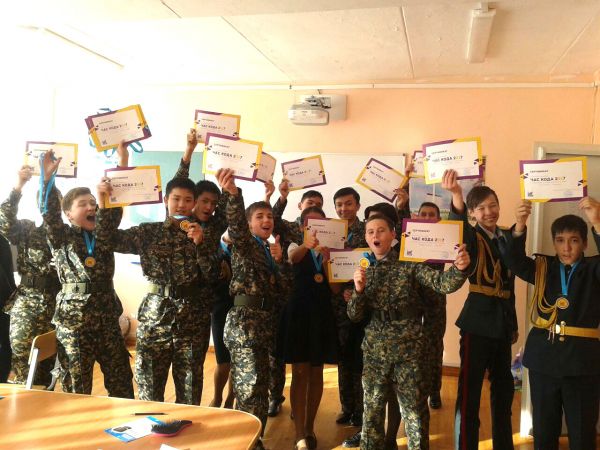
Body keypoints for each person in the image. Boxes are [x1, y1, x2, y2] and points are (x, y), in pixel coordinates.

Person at [348, 213, 470, 449]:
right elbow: (354, 314)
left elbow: (442, 283)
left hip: (408, 351)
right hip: (375, 352)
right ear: (366, 237)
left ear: (393, 234)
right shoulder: (364, 268)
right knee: (371, 412)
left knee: (414, 412)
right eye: (371, 231)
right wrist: (358, 291)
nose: (375, 235)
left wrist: (459, 268)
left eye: (381, 230)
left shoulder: (410, 263)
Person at [103, 144, 212, 405]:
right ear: (165, 200)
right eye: (176, 199)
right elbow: (107, 239)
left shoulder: (203, 234)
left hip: (192, 320)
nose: (181, 204)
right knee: (149, 386)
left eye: (188, 200)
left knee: (190, 390)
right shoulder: (148, 231)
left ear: (194, 203)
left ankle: (186, 430)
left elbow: (214, 275)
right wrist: (108, 202)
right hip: (155, 317)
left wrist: (202, 246)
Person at [506, 197, 600, 450]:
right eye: (560, 240)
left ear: (585, 243)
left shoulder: (594, 269)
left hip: (582, 364)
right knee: (544, 431)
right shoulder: (543, 267)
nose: (566, 247)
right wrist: (520, 224)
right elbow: (513, 260)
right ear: (553, 242)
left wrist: (597, 223)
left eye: (574, 240)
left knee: (582, 432)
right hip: (544, 360)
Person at [41, 150, 133, 397]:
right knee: (77, 386)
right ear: (68, 214)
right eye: (83, 204)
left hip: (107, 319)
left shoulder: (104, 235)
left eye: (93, 203)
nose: (91, 206)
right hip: (74, 323)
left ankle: (124, 420)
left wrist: (122, 162)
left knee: (122, 381)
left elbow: (111, 212)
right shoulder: (61, 236)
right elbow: (49, 214)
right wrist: (47, 180)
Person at [441, 170, 517, 450]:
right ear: (472, 213)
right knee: (469, 394)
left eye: (493, 205)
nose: (489, 212)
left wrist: (513, 324)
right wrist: (457, 195)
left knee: (504, 392)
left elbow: (510, 285)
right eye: (482, 208)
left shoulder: (507, 237)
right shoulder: (471, 236)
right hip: (477, 325)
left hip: (503, 324)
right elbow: (458, 229)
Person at [216, 168, 291, 448]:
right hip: (245, 325)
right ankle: (249, 443)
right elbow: (235, 224)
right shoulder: (245, 245)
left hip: (265, 325)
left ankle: (250, 439)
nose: (267, 220)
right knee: (250, 388)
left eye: (269, 216)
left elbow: (285, 290)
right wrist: (234, 195)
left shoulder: (269, 250)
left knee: (257, 387)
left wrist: (281, 262)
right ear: (248, 224)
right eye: (259, 216)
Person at [275, 206, 337, 450]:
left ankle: (310, 427)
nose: (317, 229)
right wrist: (307, 245)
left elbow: (335, 289)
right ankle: (299, 432)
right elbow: (293, 258)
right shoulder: (294, 245)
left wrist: (330, 262)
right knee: (299, 372)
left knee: (317, 372)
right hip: (298, 316)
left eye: (321, 224)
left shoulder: (331, 250)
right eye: (311, 225)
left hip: (322, 316)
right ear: (302, 227)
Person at [0, 165, 61, 386]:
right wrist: (19, 185)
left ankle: (43, 399)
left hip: (57, 300)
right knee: (21, 352)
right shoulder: (28, 229)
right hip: (27, 299)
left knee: (49, 363)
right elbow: (4, 222)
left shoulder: (67, 235)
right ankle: (21, 398)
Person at [269, 179, 325, 416]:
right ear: (300, 206)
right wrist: (281, 197)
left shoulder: (332, 239)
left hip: (320, 307)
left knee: (315, 367)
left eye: (318, 205)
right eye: (310, 203)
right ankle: (280, 400)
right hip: (292, 303)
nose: (313, 207)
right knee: (291, 362)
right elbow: (272, 222)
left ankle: (304, 414)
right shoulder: (291, 230)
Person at [333, 187, 367, 427]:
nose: (343, 208)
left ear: (357, 205)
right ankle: (347, 407)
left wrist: (356, 291)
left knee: (360, 359)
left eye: (348, 203)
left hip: (363, 303)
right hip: (338, 304)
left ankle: (361, 410)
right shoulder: (331, 232)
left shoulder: (368, 230)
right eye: (339, 204)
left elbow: (374, 265)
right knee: (343, 358)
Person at [209, 234, 235, 408]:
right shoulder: (213, 248)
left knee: (237, 361)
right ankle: (217, 397)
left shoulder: (248, 247)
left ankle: (230, 400)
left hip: (241, 310)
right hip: (220, 310)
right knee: (223, 361)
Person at [0, 234, 16, 382]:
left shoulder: (2, 240)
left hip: (4, 302)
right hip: (5, 301)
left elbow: (8, 278)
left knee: (6, 345)